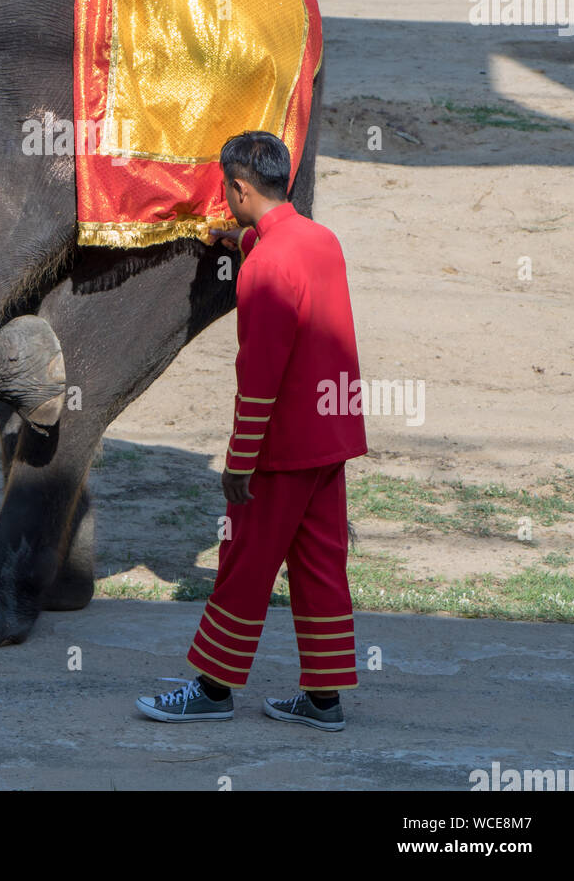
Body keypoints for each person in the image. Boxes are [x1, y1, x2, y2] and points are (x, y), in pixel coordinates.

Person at [136, 130, 368, 730]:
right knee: (320, 564)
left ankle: (213, 689)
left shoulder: (264, 269)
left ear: (239, 187)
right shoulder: (319, 240)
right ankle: (324, 700)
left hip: (282, 450)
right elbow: (285, 257)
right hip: (331, 438)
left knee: (244, 563)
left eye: (227, 192)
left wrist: (240, 462)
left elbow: (259, 377)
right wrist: (238, 238)